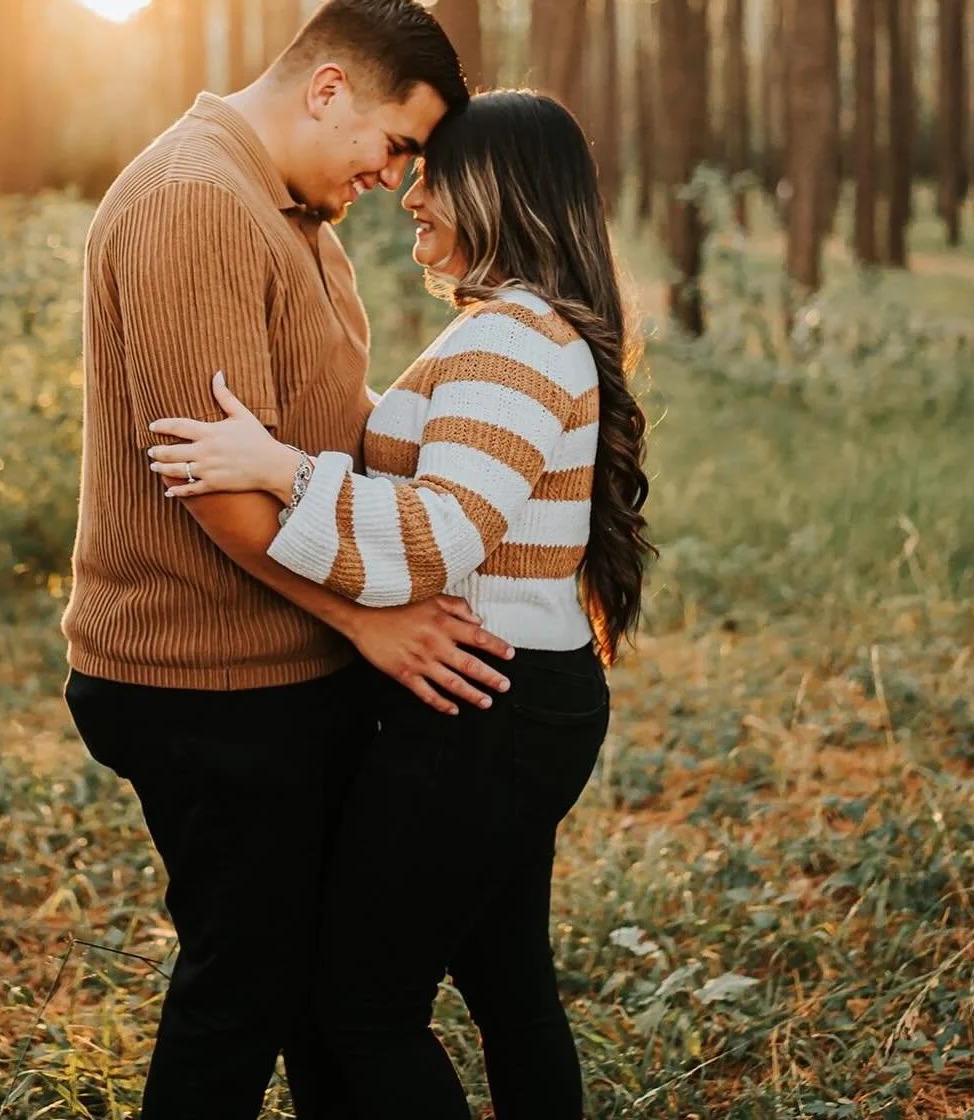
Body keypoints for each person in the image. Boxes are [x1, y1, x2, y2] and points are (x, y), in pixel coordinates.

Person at [148, 89, 652, 1120]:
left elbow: (434, 536)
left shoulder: (511, 342)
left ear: (495, 189)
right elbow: (450, 458)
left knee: (357, 1008)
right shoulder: (519, 333)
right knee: (510, 989)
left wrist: (281, 469)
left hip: (484, 704)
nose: (410, 192)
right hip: (515, 689)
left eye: (434, 171)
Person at [60, 0, 516, 1120]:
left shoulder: (289, 210)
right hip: (203, 682)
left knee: (321, 985)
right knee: (245, 988)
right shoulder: (195, 202)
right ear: (327, 89)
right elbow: (212, 485)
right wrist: (369, 620)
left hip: (278, 665)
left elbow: (314, 423)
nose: (395, 177)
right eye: (394, 143)